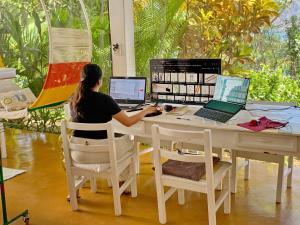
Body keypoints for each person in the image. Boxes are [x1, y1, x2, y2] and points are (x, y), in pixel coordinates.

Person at [69, 63, 157, 180]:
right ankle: (123, 182)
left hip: (78, 154)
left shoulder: (73, 99)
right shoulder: (105, 100)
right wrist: (145, 111)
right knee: (129, 141)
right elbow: (128, 122)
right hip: (103, 154)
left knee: (118, 139)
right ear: (99, 81)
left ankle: (77, 187)